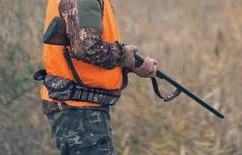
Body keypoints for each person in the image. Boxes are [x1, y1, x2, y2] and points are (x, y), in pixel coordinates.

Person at [39, 0, 157, 154]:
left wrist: (131, 64)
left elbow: (79, 44)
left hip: (79, 108)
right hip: (80, 110)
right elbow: (88, 48)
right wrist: (122, 55)